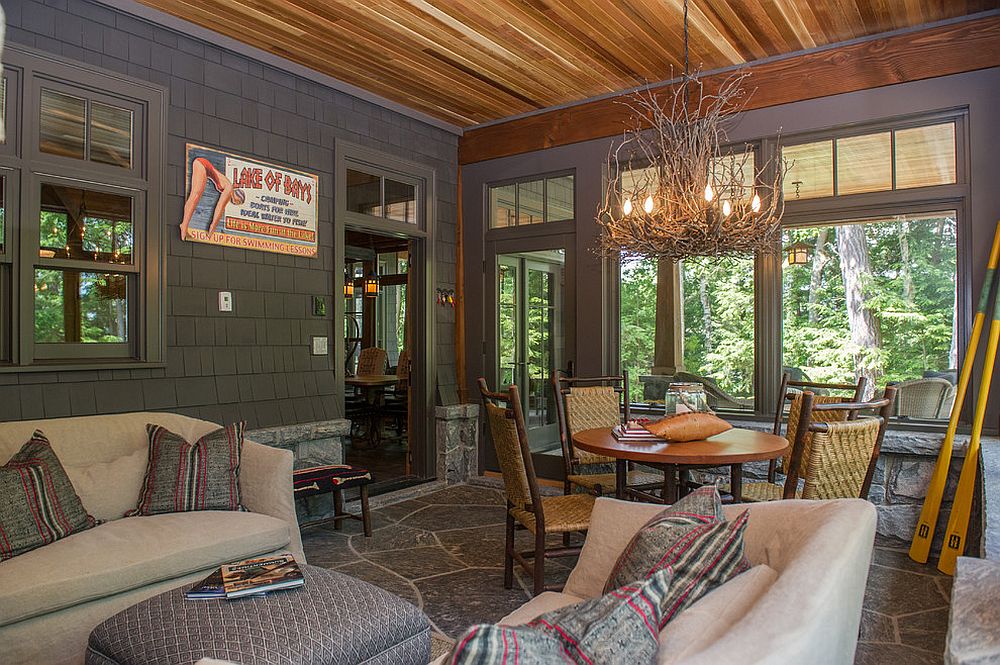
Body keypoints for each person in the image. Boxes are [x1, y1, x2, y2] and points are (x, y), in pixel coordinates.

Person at [179, 156, 246, 240]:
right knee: (195, 195)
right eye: (238, 202)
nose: (235, 203)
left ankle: (184, 226)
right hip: (202, 164)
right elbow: (220, 207)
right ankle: (184, 226)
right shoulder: (229, 189)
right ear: (238, 198)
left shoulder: (229, 187)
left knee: (195, 195)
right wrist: (213, 226)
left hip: (204, 167)